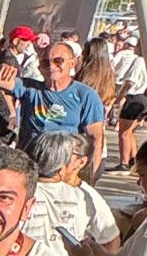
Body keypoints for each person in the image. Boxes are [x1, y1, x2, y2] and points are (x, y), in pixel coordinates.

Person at [17, 38, 106, 173]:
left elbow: (95, 137)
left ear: (72, 63)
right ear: (39, 67)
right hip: (28, 165)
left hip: (63, 167)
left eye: (58, 61)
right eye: (45, 62)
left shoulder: (85, 95)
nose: (51, 66)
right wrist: (1, 70)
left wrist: (90, 174)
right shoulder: (28, 88)